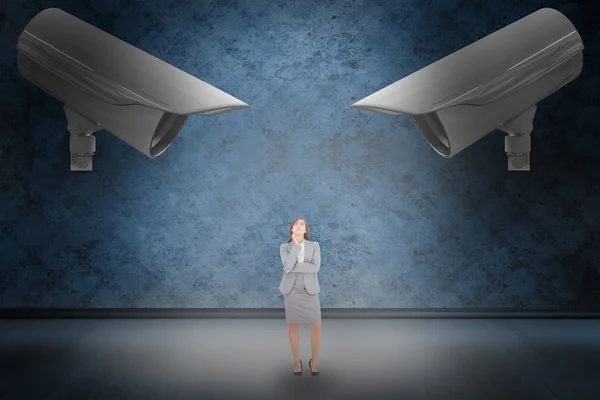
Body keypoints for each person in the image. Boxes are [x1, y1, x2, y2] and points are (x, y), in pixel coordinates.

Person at [279, 217, 322, 376]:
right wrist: (296, 247)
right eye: (296, 224)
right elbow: (287, 265)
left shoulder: (314, 246)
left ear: (305, 230)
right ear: (292, 230)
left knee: (316, 325)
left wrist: (292, 267)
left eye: (301, 224)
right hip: (292, 290)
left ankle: (314, 361)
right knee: (293, 325)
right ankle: (296, 361)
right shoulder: (284, 247)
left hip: (310, 290)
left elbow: (315, 267)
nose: (298, 225)